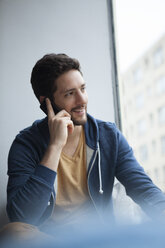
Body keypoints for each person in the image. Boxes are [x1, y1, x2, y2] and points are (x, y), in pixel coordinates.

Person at [5, 53, 165, 236]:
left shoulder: (108, 136)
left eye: (83, 88)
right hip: (50, 240)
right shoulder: (26, 144)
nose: (82, 100)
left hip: (100, 236)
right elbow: (22, 216)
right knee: (13, 232)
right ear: (46, 103)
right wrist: (55, 146)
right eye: (70, 94)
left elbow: (143, 188)